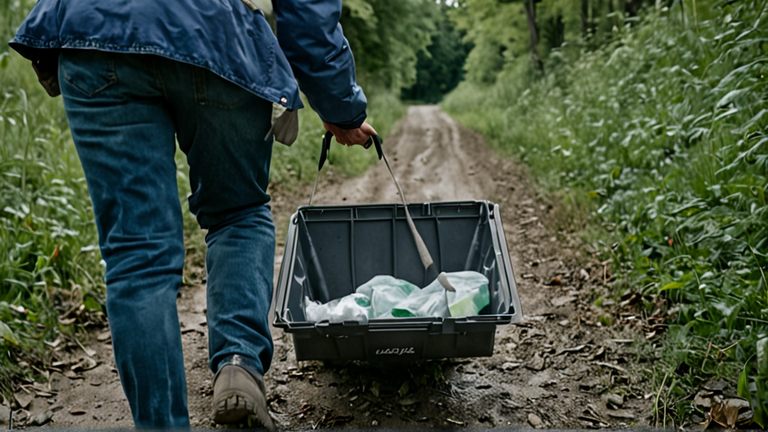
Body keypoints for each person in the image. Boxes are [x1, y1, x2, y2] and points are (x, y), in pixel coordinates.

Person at [9, 0, 376, 429]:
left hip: (97, 32)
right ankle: (239, 364)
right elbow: (307, 10)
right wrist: (340, 107)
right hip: (218, 33)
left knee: (136, 255)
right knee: (237, 211)